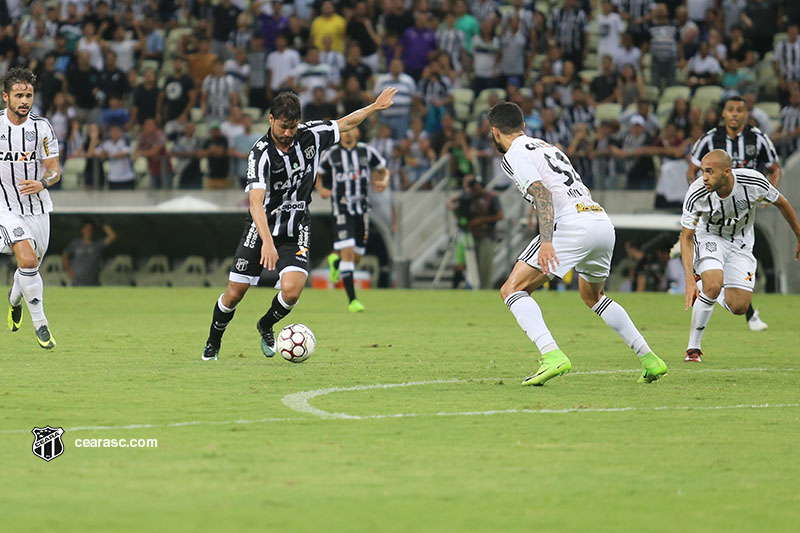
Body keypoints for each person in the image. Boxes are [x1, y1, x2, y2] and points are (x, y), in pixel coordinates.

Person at [201, 87, 397, 360]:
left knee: (292, 291)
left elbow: (346, 123)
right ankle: (213, 342)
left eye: (292, 127)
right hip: (261, 230)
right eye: (283, 127)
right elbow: (255, 203)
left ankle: (266, 325)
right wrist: (267, 243)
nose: (288, 133)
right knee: (235, 293)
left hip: (296, 228)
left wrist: (374, 107)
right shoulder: (260, 154)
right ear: (271, 120)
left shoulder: (311, 135)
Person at [488, 101, 666, 386]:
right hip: (598, 219)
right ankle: (650, 359)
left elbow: (542, 194)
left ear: (495, 132)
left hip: (570, 225)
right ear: (523, 126)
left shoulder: (514, 155)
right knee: (593, 297)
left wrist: (547, 242)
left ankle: (551, 355)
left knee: (512, 289)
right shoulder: (549, 147)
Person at [680, 150, 800, 363]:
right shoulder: (697, 192)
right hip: (709, 237)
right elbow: (686, 236)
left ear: (727, 172)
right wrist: (689, 281)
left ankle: (705, 286)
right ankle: (693, 349)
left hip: (741, 244)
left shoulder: (752, 182)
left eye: (710, 172)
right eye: (702, 171)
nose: (704, 177)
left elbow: (781, 202)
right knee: (714, 284)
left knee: (739, 307)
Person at [687, 95, 781, 331]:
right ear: (724, 113)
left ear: (746, 113)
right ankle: (747, 313)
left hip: (745, 207)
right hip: (715, 212)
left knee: (741, 254)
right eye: (731, 110)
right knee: (719, 257)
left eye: (740, 110)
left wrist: (770, 193)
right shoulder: (710, 139)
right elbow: (692, 169)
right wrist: (700, 196)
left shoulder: (757, 138)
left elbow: (774, 167)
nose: (735, 114)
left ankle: (741, 305)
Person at [1, 66, 61, 349]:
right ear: (5, 97)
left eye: (29, 95)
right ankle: (41, 324)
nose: (25, 101)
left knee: (31, 263)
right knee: (26, 258)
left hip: (37, 209)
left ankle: (14, 300)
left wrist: (43, 183)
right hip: (5, 207)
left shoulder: (42, 128)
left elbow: (53, 171)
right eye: (19, 95)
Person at [316, 127, 389, 312]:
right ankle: (352, 300)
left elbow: (383, 169)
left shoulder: (366, 151)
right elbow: (319, 174)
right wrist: (321, 189)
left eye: (352, 129)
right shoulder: (332, 154)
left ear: (358, 132)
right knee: (348, 251)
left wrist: (384, 181)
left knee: (356, 257)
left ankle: (336, 262)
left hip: (362, 211)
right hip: (342, 210)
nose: (348, 133)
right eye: (345, 130)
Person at [62, 221, 116, 286]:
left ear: (93, 231)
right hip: (76, 283)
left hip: (92, 283)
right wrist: (68, 270)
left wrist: (101, 223)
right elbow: (65, 255)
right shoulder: (76, 244)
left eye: (90, 229)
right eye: (86, 229)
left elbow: (112, 236)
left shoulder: (97, 244)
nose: (88, 231)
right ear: (82, 230)